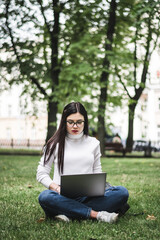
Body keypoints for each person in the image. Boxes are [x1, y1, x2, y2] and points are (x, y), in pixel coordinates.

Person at [37, 102, 129, 223]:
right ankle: (97, 214)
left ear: (85, 122)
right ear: (64, 122)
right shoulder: (54, 144)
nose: (75, 126)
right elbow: (41, 173)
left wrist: (98, 187)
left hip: (88, 196)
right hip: (61, 195)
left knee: (122, 192)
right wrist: (57, 188)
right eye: (70, 122)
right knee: (45, 197)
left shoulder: (93, 143)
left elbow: (97, 172)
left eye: (79, 122)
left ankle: (67, 212)